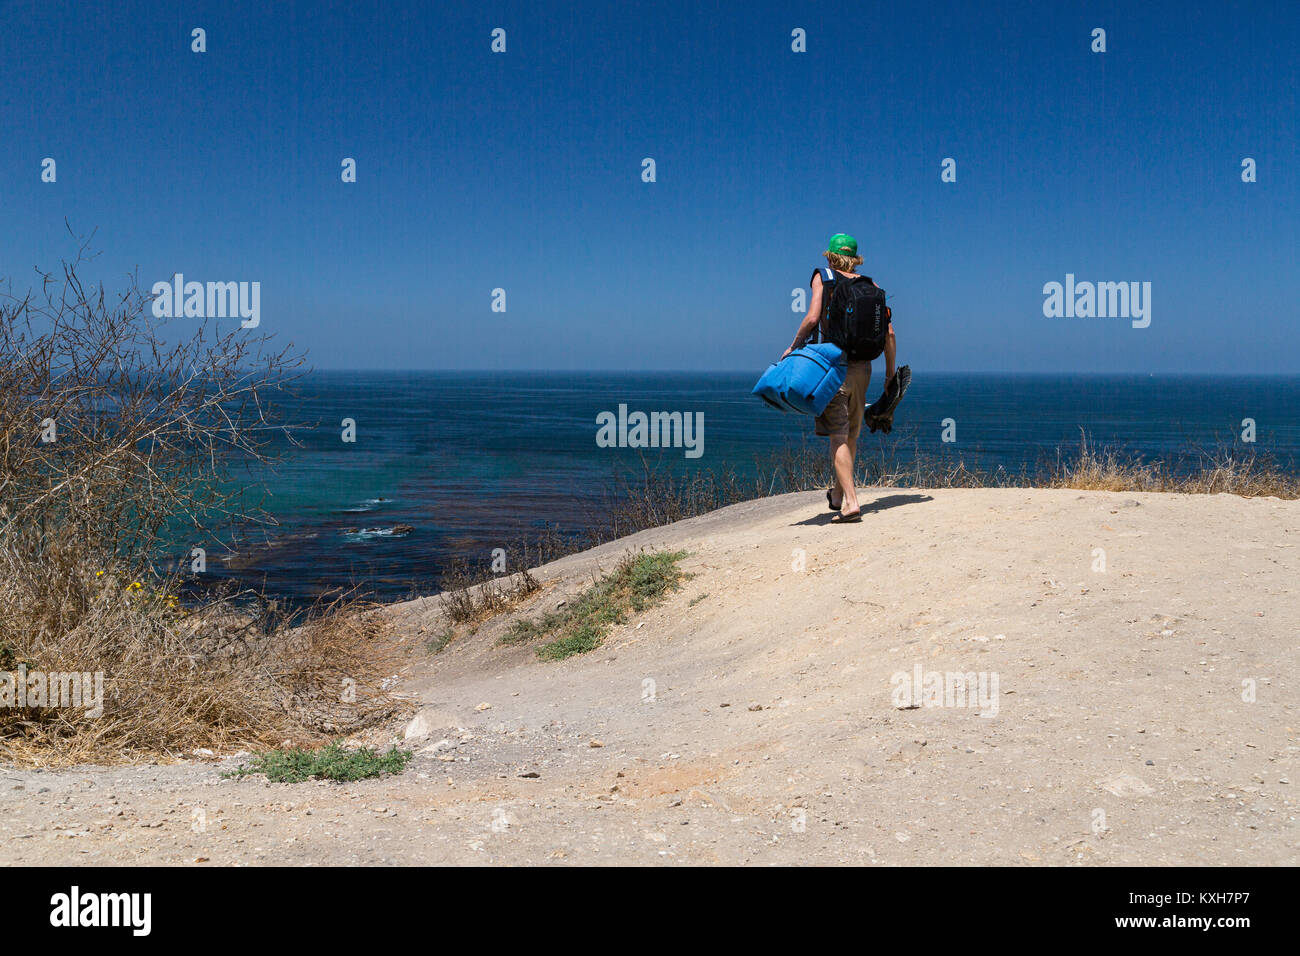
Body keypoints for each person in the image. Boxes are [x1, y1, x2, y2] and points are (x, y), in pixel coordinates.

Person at [782, 234, 896, 523]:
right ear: (856, 258)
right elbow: (890, 334)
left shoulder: (823, 277)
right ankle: (837, 494)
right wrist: (890, 374)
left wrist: (793, 347)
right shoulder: (871, 286)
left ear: (829, 256)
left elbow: (811, 319)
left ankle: (852, 503)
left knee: (837, 436)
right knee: (851, 435)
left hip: (834, 367)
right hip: (864, 369)